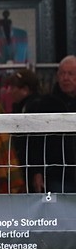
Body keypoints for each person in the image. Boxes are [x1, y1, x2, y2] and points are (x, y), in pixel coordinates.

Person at [33, 56, 76, 193]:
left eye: (70, 73)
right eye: (62, 73)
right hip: (56, 173)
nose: (65, 78)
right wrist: (37, 171)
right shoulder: (47, 103)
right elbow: (37, 140)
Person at [5, 68, 45, 193]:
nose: (10, 91)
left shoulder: (34, 107)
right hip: (27, 166)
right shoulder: (21, 107)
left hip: (32, 169)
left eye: (13, 87)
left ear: (25, 90)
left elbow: (36, 142)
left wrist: (37, 171)